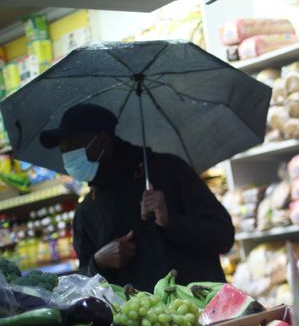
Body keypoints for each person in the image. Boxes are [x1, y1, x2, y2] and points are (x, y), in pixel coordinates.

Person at [40, 103, 235, 290]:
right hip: (139, 321)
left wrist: (170, 222)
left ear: (102, 140)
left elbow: (223, 236)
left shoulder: (168, 170)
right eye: (63, 150)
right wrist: (99, 263)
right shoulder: (87, 210)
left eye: (74, 146)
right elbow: (83, 282)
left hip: (203, 310)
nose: (68, 157)